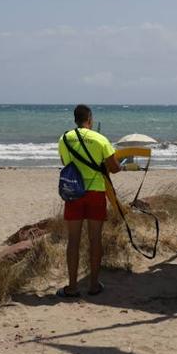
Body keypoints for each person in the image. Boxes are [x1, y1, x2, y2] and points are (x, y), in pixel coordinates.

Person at [57, 104, 121, 298]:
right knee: (95, 240)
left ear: (75, 119)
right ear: (90, 119)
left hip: (74, 193)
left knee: (73, 241)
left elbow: (65, 163)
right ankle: (93, 285)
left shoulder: (65, 138)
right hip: (95, 193)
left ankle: (72, 286)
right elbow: (115, 168)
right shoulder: (100, 139)